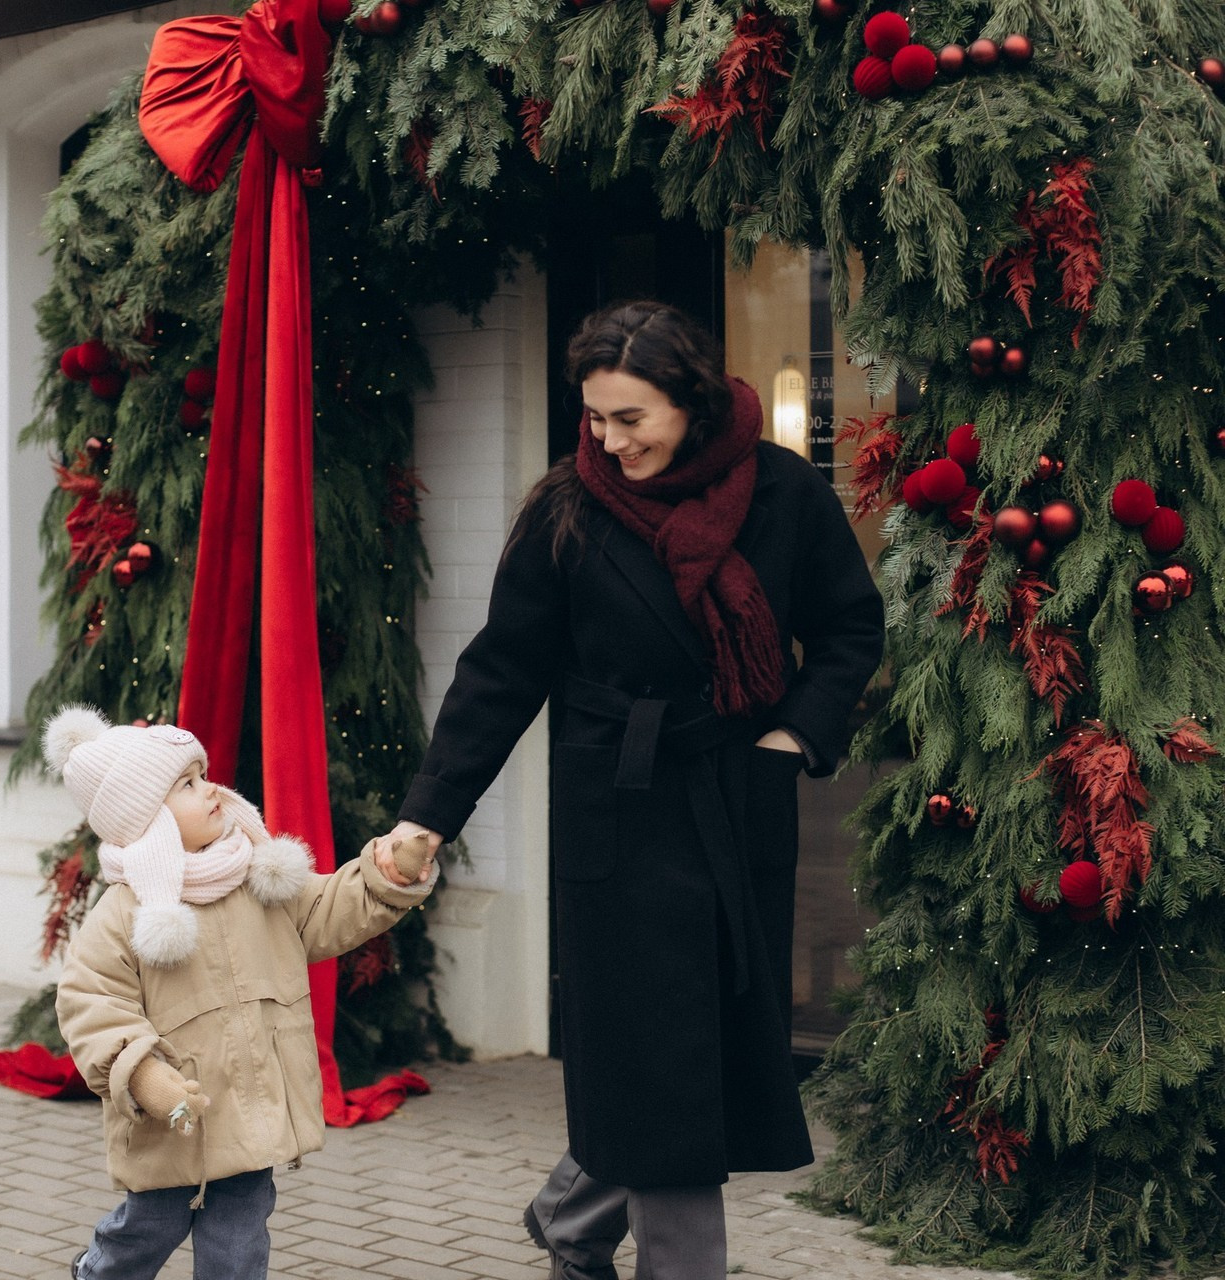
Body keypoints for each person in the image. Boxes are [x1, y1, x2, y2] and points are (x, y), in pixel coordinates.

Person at [376, 300, 885, 1279]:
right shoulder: (567, 508)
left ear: (690, 401)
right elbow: (499, 674)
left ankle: (572, 1212)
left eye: (630, 419)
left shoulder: (781, 491)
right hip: (618, 805)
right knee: (657, 1051)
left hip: (738, 795)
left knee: (696, 1049)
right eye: (596, 418)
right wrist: (427, 815)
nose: (608, 442)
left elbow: (849, 629)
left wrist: (789, 737)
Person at [46, 705, 436, 1280]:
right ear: (147, 816)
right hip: (176, 1118)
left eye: (202, 776)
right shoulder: (125, 913)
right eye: (186, 785)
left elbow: (330, 908)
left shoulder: (257, 879)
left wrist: (386, 876)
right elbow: (91, 1001)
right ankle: (98, 1272)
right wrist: (145, 1074)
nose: (211, 792)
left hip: (250, 1111)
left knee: (240, 1241)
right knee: (150, 1226)